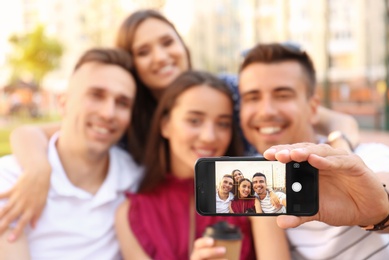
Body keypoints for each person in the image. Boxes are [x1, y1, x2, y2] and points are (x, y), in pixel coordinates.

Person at [0, 9, 361, 241]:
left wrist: (340, 147)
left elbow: (326, 115)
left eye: (167, 42)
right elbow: (34, 131)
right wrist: (37, 170)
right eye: (143, 52)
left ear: (182, 45)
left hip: (253, 196)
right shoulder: (127, 117)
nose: (160, 56)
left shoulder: (228, 89)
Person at [115, 70, 290, 260]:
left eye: (223, 124)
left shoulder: (254, 197)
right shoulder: (131, 214)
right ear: (165, 124)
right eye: (194, 120)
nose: (209, 136)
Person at [238, 42, 389, 259]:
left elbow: (384, 185)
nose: (266, 111)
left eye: (283, 95)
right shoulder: (256, 184)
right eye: (252, 97)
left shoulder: (363, 157)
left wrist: (379, 208)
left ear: (313, 107)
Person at [0, 48, 143, 259]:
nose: (108, 113)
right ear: (63, 103)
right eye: (96, 95)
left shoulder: (135, 179)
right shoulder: (11, 179)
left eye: (122, 103)